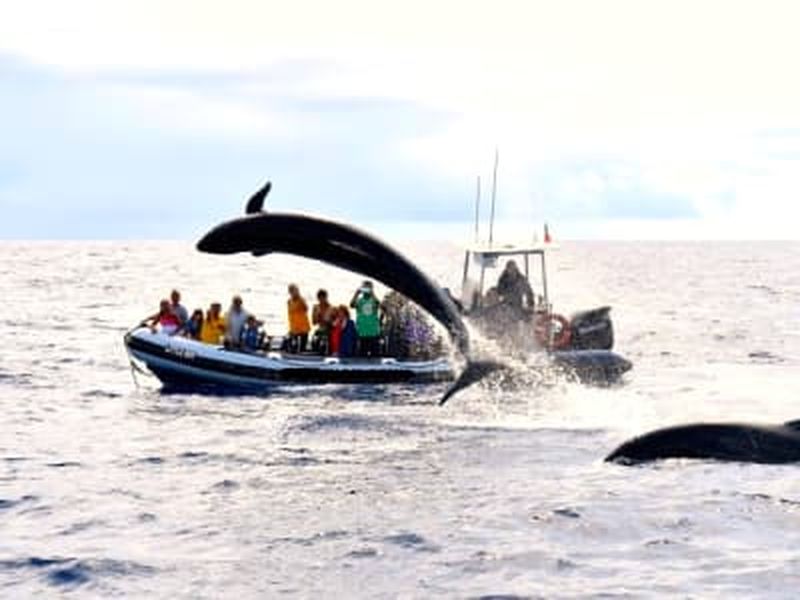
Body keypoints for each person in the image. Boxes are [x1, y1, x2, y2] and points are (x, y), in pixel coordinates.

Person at [350, 280, 382, 357]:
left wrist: (372, 293)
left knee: (375, 356)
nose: (366, 289)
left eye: (368, 287)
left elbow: (379, 304)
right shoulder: (359, 300)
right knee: (362, 356)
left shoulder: (374, 300)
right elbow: (351, 305)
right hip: (362, 332)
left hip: (373, 332)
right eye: (364, 287)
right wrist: (356, 293)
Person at [286, 284, 311, 353]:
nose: (294, 292)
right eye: (292, 291)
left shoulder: (301, 300)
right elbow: (290, 315)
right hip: (294, 328)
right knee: (293, 347)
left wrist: (299, 297)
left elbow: (306, 308)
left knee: (302, 348)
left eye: (296, 290)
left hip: (303, 328)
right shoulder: (289, 301)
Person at [311, 289, 335, 354]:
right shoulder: (316, 307)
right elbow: (314, 322)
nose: (321, 300)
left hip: (329, 331)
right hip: (320, 330)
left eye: (323, 298)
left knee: (324, 339)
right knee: (316, 339)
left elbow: (334, 324)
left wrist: (327, 321)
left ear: (326, 297)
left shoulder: (332, 308)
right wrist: (317, 316)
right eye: (320, 298)